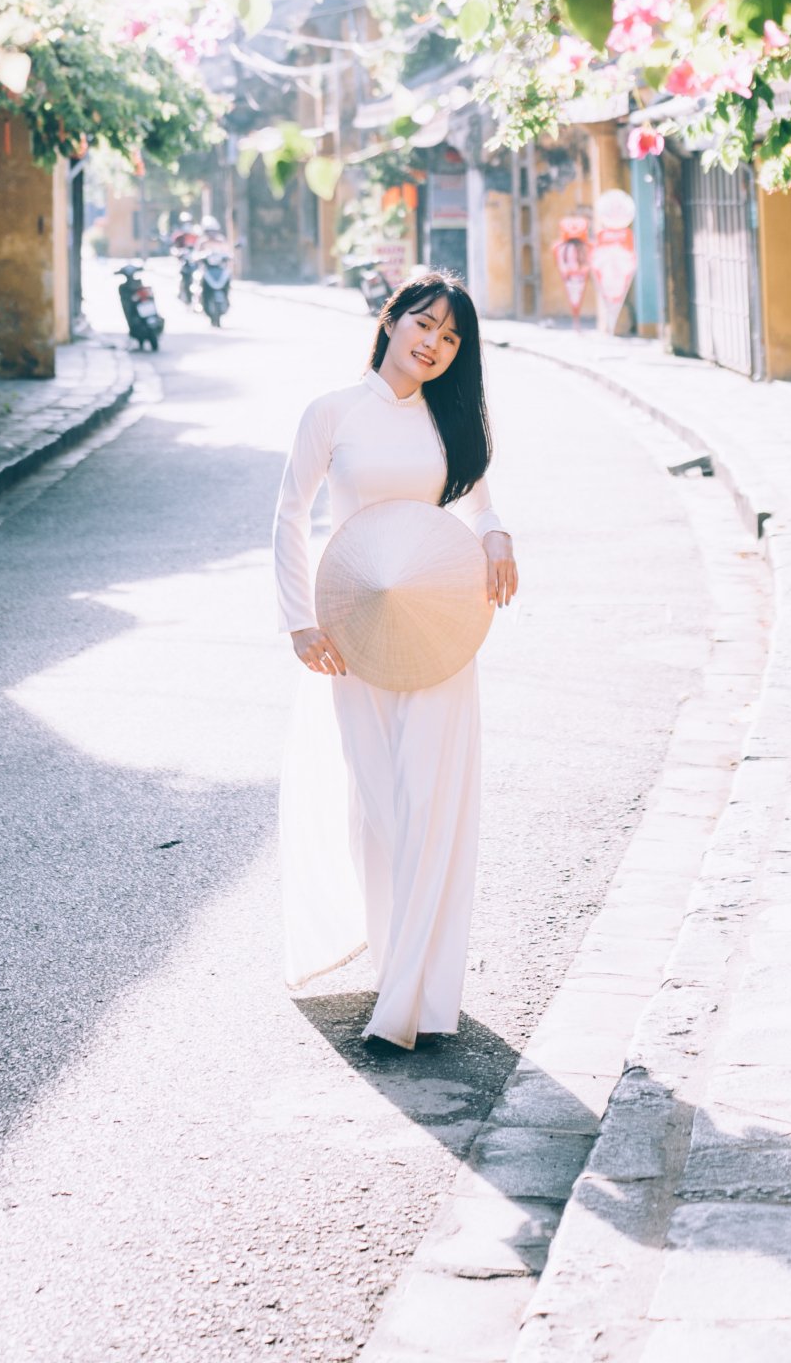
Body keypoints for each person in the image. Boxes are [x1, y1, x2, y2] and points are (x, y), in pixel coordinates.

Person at [272, 271, 518, 1049]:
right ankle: (397, 972)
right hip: (354, 634)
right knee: (380, 810)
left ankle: (415, 1003)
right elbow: (289, 515)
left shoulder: (448, 421)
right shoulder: (333, 412)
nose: (434, 344)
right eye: (424, 323)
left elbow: (477, 501)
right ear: (391, 319)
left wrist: (497, 535)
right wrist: (299, 623)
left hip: (441, 631)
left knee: (431, 806)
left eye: (451, 337)